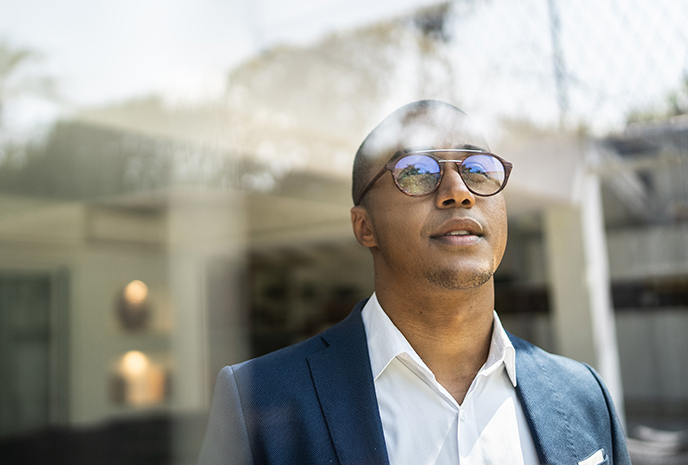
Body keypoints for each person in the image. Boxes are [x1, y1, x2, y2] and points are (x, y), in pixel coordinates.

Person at [197, 100, 631, 465]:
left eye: (478, 168)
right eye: (418, 172)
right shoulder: (260, 403)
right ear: (364, 227)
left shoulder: (584, 394)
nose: (458, 191)